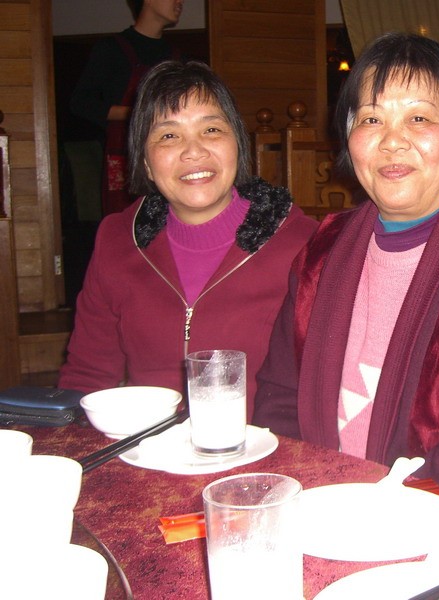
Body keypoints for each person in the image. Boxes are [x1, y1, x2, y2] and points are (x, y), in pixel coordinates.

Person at [251, 32, 439, 494]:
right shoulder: (325, 248)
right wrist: (301, 490)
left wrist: (382, 511)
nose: (392, 141)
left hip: (433, 515)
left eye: (419, 118)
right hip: (316, 499)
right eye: (371, 119)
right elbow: (280, 393)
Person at [59, 61, 318, 419]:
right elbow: (87, 376)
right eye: (168, 135)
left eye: (211, 129)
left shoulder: (303, 246)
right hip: (146, 445)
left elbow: (321, 388)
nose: (193, 151)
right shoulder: (116, 240)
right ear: (145, 163)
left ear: (238, 145)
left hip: (264, 446)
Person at [70, 0, 185, 216]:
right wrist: (135, 114)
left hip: (168, 153)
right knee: (126, 222)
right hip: (124, 157)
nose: (180, 2)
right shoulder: (111, 49)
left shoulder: (175, 56)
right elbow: (80, 103)